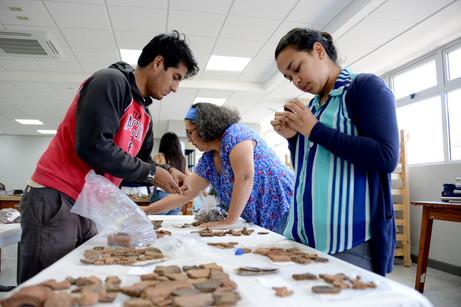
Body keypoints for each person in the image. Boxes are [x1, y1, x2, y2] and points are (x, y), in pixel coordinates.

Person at [18, 31, 199, 282]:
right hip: (57, 196)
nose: (176, 88)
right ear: (158, 63)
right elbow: (93, 147)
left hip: (89, 205)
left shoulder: (144, 115)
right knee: (45, 285)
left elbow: (138, 163)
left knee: (74, 283)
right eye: (175, 77)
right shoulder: (111, 82)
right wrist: (151, 173)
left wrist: (167, 171)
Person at [271, 28, 400, 276]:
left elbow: (386, 156)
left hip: (348, 238)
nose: (296, 81)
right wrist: (293, 140)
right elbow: (313, 168)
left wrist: (315, 130)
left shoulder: (363, 87)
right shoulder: (315, 106)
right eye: (289, 78)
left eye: (297, 68)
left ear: (319, 51)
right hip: (304, 235)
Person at [142, 103, 294, 234]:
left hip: (285, 208)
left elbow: (245, 177)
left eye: (190, 133)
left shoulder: (236, 134)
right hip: (260, 216)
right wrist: (146, 211)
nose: (188, 139)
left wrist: (229, 221)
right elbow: (184, 194)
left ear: (204, 127)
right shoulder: (208, 159)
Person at [151, 132, 191, 215]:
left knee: (153, 224)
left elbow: (152, 172)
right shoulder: (182, 160)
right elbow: (189, 177)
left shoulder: (159, 156)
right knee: (170, 225)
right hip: (177, 197)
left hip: (162, 194)